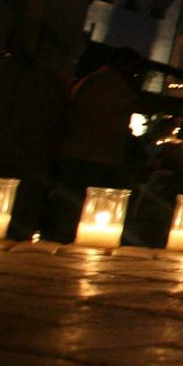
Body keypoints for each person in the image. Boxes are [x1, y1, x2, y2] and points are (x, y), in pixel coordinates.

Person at [46, 46, 145, 241]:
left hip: (83, 151)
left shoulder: (93, 80)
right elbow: (135, 104)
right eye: (133, 69)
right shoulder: (110, 83)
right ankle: (66, 243)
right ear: (121, 64)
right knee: (78, 205)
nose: (134, 74)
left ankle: (63, 240)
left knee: (74, 203)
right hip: (92, 154)